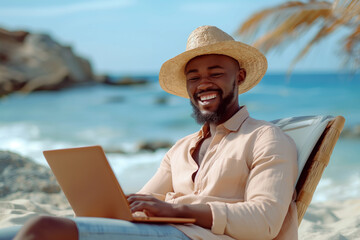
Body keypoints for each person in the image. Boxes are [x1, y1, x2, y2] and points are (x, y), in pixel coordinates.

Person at [0, 25, 298, 240]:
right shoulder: (181, 149)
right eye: (193, 77)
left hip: (202, 237)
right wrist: (120, 205)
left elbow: (264, 222)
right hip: (165, 231)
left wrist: (177, 210)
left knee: (44, 230)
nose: (203, 83)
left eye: (215, 73)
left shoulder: (265, 138)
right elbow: (146, 201)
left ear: (240, 77)